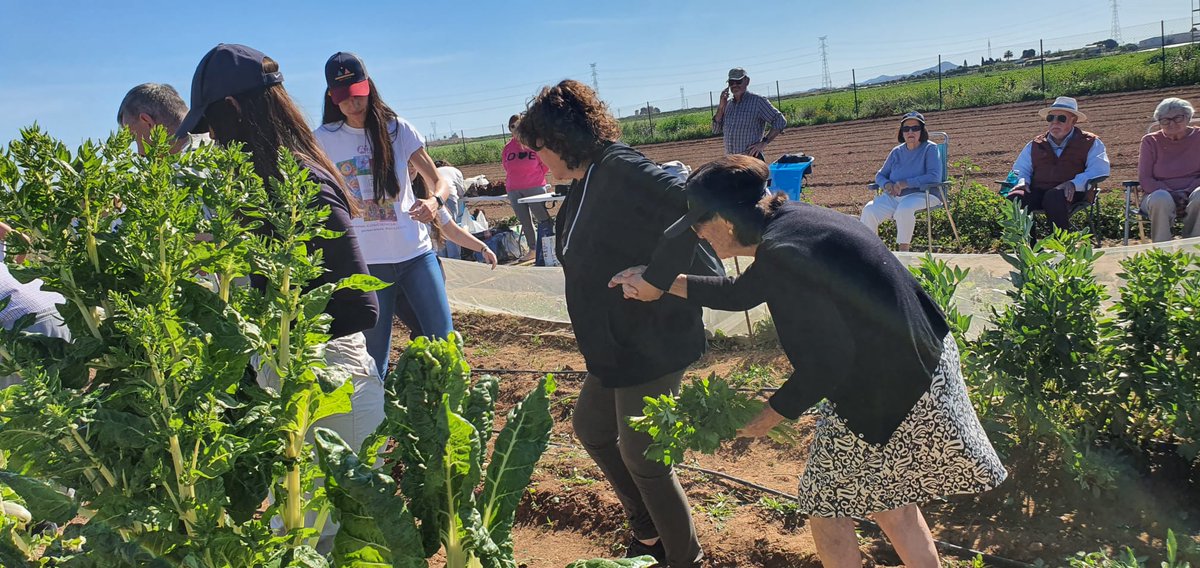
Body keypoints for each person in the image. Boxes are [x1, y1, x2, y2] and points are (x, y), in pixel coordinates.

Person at [611, 155, 1007, 568]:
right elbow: (742, 292)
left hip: (893, 387)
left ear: (726, 221)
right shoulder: (794, 223)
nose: (696, 233)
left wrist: (770, 414)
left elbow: (828, 362)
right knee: (890, 503)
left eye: (698, 222)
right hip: (923, 362)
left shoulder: (786, 252)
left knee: (827, 505)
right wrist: (660, 283)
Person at [515, 79, 722, 568]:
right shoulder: (588, 179)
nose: (539, 161)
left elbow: (700, 201)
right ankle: (648, 530)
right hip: (614, 345)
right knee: (591, 427)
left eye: (541, 148)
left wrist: (658, 277)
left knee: (645, 460)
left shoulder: (621, 166)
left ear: (564, 137)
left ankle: (683, 557)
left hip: (651, 339)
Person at [176, 42, 383, 461]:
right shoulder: (263, 190)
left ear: (234, 107)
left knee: (330, 524)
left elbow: (362, 307)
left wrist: (274, 334)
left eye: (211, 124)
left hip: (331, 385)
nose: (212, 138)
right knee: (292, 521)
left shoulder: (304, 186)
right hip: (287, 378)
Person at [312, 51, 454, 379]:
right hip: (368, 265)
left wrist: (435, 202)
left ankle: (447, 412)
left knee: (444, 340)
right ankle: (377, 421)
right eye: (344, 98)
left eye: (358, 95)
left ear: (369, 88)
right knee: (374, 355)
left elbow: (438, 179)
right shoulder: (324, 140)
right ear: (332, 97)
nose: (353, 104)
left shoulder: (397, 130)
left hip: (416, 255)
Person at [1005, 96, 1110, 231]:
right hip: (1038, 191)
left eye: (1061, 118)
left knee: (1053, 196)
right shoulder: (1035, 144)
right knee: (1015, 198)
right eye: (1051, 118)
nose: (1055, 122)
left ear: (1074, 121)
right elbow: (1021, 169)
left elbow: (1100, 170)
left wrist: (1074, 183)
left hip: (1072, 194)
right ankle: (1027, 247)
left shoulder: (1091, 142)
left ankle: (1060, 246)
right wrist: (1022, 182)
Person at [0, 222, 71, 389]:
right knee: (63, 402)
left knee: (18, 406)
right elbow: (22, 240)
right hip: (57, 307)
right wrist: (15, 269)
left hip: (21, 326)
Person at [860, 111, 943, 252]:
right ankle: (870, 252)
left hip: (924, 194)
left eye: (915, 128)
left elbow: (934, 176)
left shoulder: (930, 148)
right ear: (902, 132)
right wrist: (887, 184)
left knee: (904, 209)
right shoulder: (896, 152)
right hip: (895, 196)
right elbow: (880, 175)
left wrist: (906, 183)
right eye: (906, 129)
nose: (910, 131)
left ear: (922, 130)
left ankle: (903, 254)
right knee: (869, 210)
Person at [1137, 97, 1200, 242]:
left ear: (1188, 117)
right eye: (1165, 120)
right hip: (1158, 194)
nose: (1171, 124)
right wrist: (1171, 193)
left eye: (1178, 118)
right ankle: (1162, 253)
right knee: (1161, 198)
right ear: (1159, 122)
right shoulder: (1150, 141)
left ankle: (1194, 249)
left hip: (1194, 191)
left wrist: (1186, 192)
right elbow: (1145, 178)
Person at [502, 114, 551, 262]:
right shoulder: (508, 148)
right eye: (512, 126)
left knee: (543, 219)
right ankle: (533, 249)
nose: (516, 129)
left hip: (535, 187)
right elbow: (506, 166)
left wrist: (533, 178)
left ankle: (550, 248)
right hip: (514, 189)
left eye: (519, 125)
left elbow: (545, 165)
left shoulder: (534, 144)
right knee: (525, 220)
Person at [711, 67, 786, 160]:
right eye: (731, 82)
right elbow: (715, 130)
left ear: (747, 81)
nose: (734, 85)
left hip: (751, 161)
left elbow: (780, 121)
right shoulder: (728, 105)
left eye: (738, 82)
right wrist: (721, 107)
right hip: (731, 161)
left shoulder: (758, 101)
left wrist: (763, 143)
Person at [117, 83, 209, 155]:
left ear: (148, 122)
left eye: (133, 137)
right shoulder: (217, 143)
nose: (139, 153)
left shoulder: (182, 173)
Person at [435, 159, 467, 259]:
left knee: (438, 228)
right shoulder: (455, 171)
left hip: (433, 198)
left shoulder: (434, 171)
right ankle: (455, 259)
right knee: (451, 227)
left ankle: (442, 259)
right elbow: (461, 191)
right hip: (449, 196)